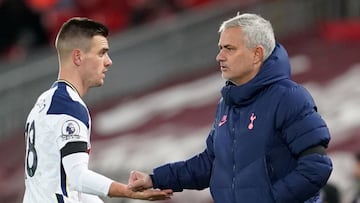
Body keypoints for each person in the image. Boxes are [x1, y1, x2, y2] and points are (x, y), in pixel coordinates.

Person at [127, 13, 333, 203]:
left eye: (230, 48)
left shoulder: (289, 97)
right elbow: (211, 164)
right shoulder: (227, 103)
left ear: (257, 54)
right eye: (220, 48)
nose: (220, 56)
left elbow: (317, 166)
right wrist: (155, 179)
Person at [23, 17, 173, 203]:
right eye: (102, 53)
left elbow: (67, 182)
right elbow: (78, 177)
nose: (109, 62)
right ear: (78, 57)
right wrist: (127, 191)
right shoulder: (69, 107)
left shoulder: (44, 103)